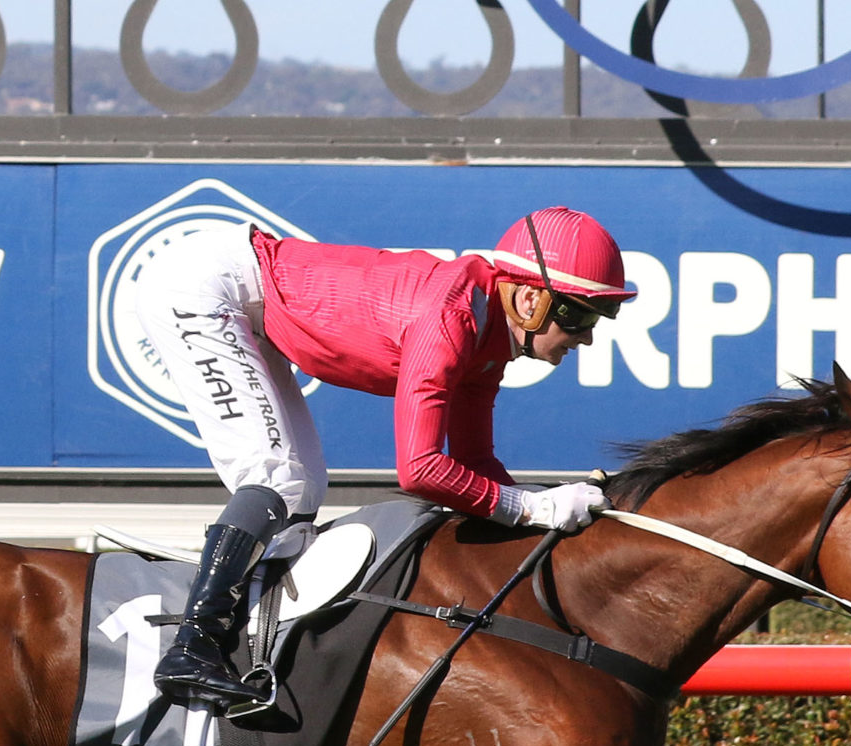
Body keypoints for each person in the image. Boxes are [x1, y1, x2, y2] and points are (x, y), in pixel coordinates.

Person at [142, 205, 638, 711]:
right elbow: (419, 470)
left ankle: (252, 641)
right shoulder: (453, 317)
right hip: (206, 286)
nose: (586, 336)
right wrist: (535, 508)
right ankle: (192, 645)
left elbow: (476, 466)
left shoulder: (488, 338)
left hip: (243, 289)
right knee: (276, 478)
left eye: (596, 319)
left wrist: (551, 508)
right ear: (529, 299)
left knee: (301, 493)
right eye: (578, 315)